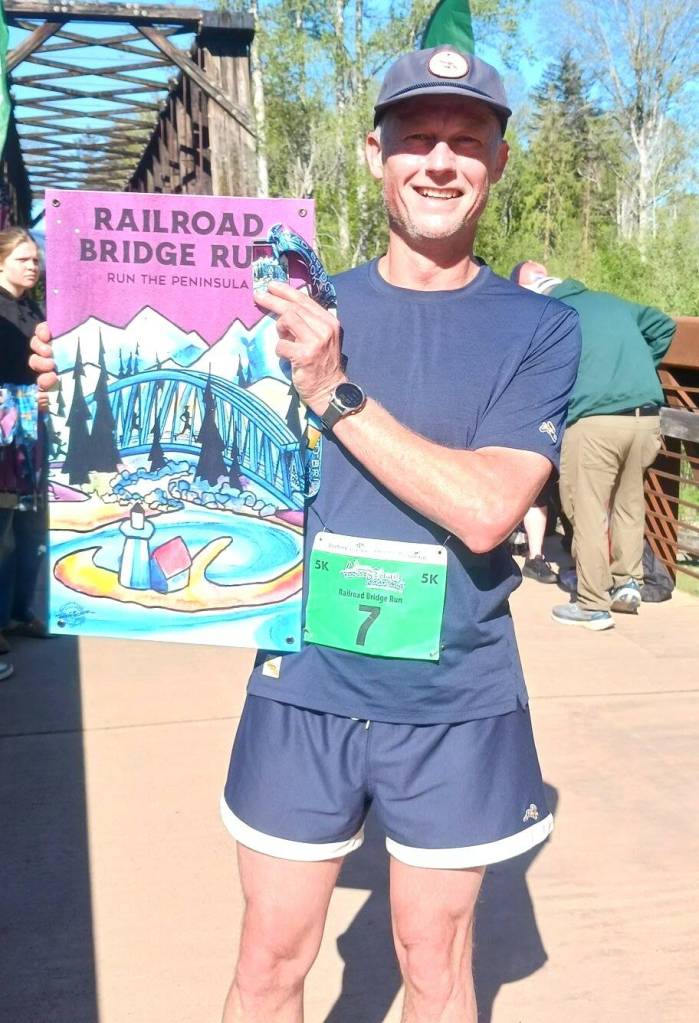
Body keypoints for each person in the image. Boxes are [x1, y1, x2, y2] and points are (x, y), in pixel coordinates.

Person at [31, 47, 581, 1023]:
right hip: (303, 687)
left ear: (498, 160)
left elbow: (491, 508)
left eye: (466, 140)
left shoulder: (539, 329)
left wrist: (332, 392)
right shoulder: (295, 307)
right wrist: (79, 366)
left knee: (436, 964)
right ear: (376, 154)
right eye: (416, 139)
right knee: (268, 962)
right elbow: (171, 442)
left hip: (458, 698)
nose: (439, 161)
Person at [513, 261, 676, 631]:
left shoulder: (550, 314)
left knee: (586, 509)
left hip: (594, 423)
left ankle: (592, 604)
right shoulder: (611, 302)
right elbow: (663, 325)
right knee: (629, 504)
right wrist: (636, 371)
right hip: (645, 418)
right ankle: (629, 585)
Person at [0, 227, 47, 664]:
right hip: (5, 435)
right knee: (2, 532)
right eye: (22, 259)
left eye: (35, 259)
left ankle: (20, 612)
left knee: (32, 530)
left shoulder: (33, 309)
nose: (33, 266)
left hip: (34, 430)